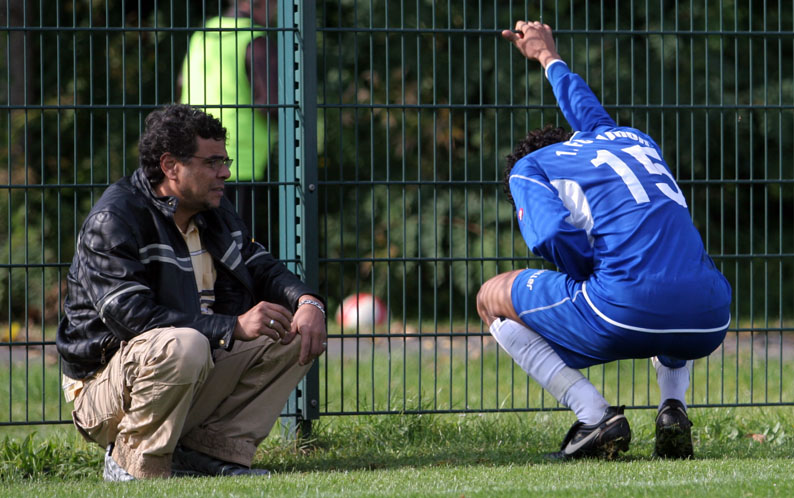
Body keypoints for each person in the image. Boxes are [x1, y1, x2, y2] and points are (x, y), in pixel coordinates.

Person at [477, 21, 732, 460]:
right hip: (710, 317)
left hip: (624, 312)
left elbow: (551, 233)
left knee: (490, 297)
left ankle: (593, 415)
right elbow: (588, 111)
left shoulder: (530, 168)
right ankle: (673, 407)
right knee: (664, 262)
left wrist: (586, 276)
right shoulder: (631, 140)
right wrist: (547, 57)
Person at [56, 104, 327, 480]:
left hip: (190, 365)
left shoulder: (213, 209)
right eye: (212, 162)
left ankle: (206, 453)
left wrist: (307, 302)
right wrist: (232, 327)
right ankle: (130, 461)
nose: (225, 172)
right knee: (186, 344)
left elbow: (260, 265)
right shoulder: (114, 219)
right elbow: (134, 319)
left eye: (225, 161)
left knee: (292, 333)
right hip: (102, 390)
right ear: (170, 166)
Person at [178, 0, 278, 236]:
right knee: (236, 242)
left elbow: (182, 83)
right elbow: (272, 103)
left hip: (193, 156)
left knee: (201, 239)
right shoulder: (254, 39)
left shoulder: (202, 35)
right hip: (238, 161)